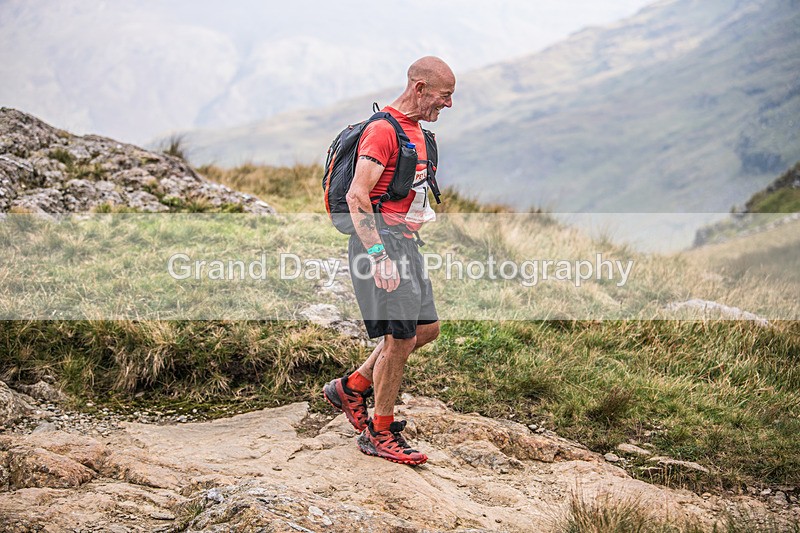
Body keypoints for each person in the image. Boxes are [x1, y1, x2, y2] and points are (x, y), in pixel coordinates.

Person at [322, 56, 456, 466]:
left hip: (405, 242)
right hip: (379, 245)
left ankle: (353, 386)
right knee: (399, 340)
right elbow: (357, 195)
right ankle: (380, 431)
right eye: (444, 95)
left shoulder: (416, 131)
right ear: (420, 88)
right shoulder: (383, 132)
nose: (448, 104)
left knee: (425, 329)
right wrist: (378, 256)